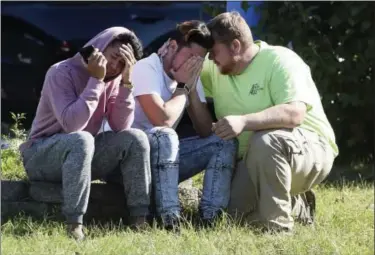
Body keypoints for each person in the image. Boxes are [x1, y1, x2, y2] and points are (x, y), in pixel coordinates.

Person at [200, 12, 339, 233]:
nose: (210, 59)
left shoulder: (281, 60)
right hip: (256, 160)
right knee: (230, 217)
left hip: (310, 150)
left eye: (214, 52)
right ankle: (297, 205)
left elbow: (294, 113)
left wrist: (244, 121)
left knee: (266, 140)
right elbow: (181, 65)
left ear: (235, 46)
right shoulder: (217, 67)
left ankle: (278, 229)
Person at [19, 27, 152, 240]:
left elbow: (121, 127)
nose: (114, 67)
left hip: (81, 154)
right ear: (98, 49)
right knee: (81, 138)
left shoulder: (115, 79)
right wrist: (96, 81)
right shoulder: (60, 72)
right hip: (41, 156)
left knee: (135, 137)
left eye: (123, 63)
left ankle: (139, 219)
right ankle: (74, 224)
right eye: (114, 58)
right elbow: (73, 125)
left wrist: (126, 83)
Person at [130, 20, 237, 230]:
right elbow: (163, 120)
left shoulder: (188, 75)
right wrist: (182, 88)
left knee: (223, 141)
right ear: (171, 46)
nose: (193, 65)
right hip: (133, 162)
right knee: (166, 135)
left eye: (198, 61)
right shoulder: (145, 68)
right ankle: (170, 219)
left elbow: (205, 129)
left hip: (165, 160)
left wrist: (192, 91)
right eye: (189, 57)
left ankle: (211, 218)